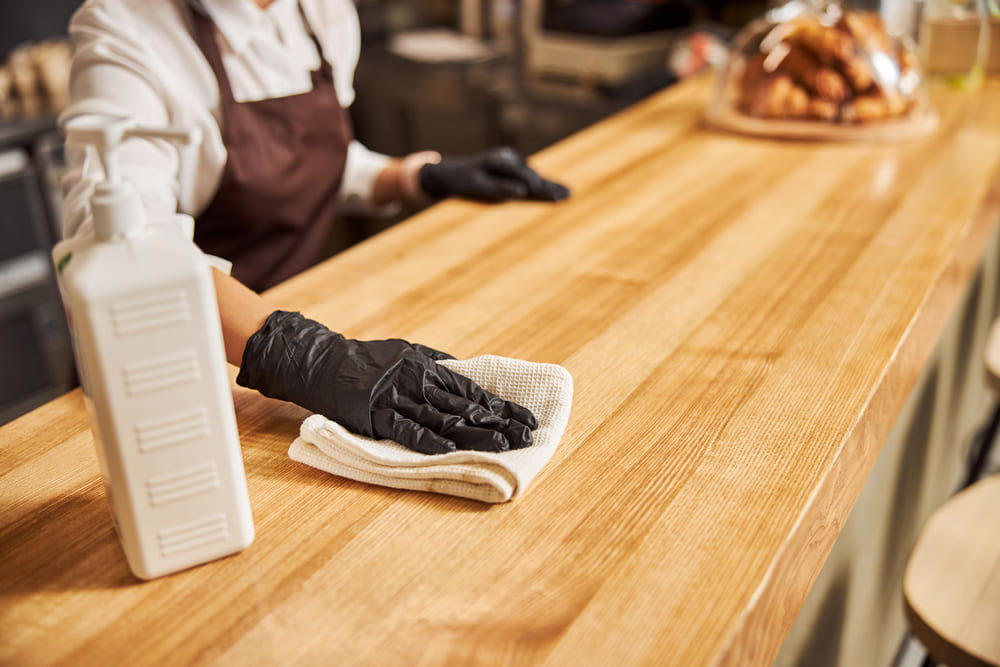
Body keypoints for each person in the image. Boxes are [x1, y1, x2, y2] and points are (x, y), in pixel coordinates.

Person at [61, 0, 570, 455]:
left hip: (301, 321)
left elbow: (315, 161)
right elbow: (121, 245)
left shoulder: (319, 12)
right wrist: (306, 356)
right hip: (180, 367)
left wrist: (417, 176)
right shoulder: (127, 30)